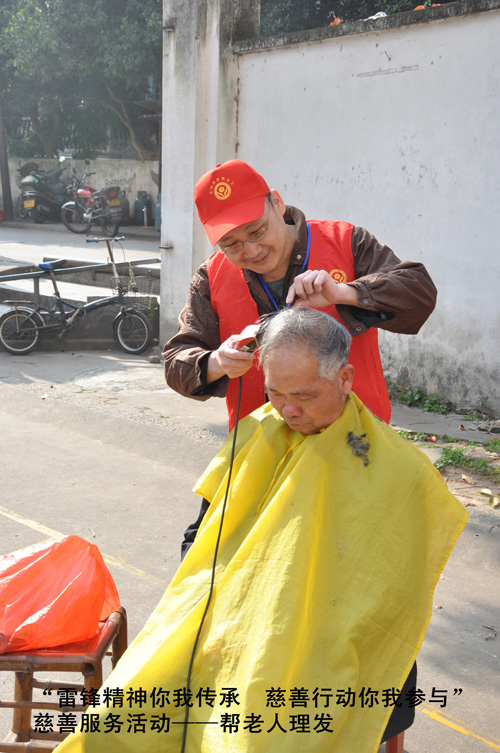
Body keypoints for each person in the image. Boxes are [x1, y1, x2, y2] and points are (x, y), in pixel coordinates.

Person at [56, 309, 466, 753]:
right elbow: (201, 534)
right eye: (275, 393)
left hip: (336, 637)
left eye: (304, 395)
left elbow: (398, 591)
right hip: (236, 620)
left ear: (345, 379)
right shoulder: (256, 433)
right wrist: (212, 598)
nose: (288, 410)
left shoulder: (398, 468)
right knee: (122, 715)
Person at [163, 159, 437, 430]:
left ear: (277, 203)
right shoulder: (211, 276)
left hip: (354, 435)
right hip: (262, 440)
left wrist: (344, 292)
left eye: (257, 231)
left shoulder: (346, 242)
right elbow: (177, 362)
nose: (253, 251)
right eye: (232, 245)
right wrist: (217, 362)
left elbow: (419, 292)